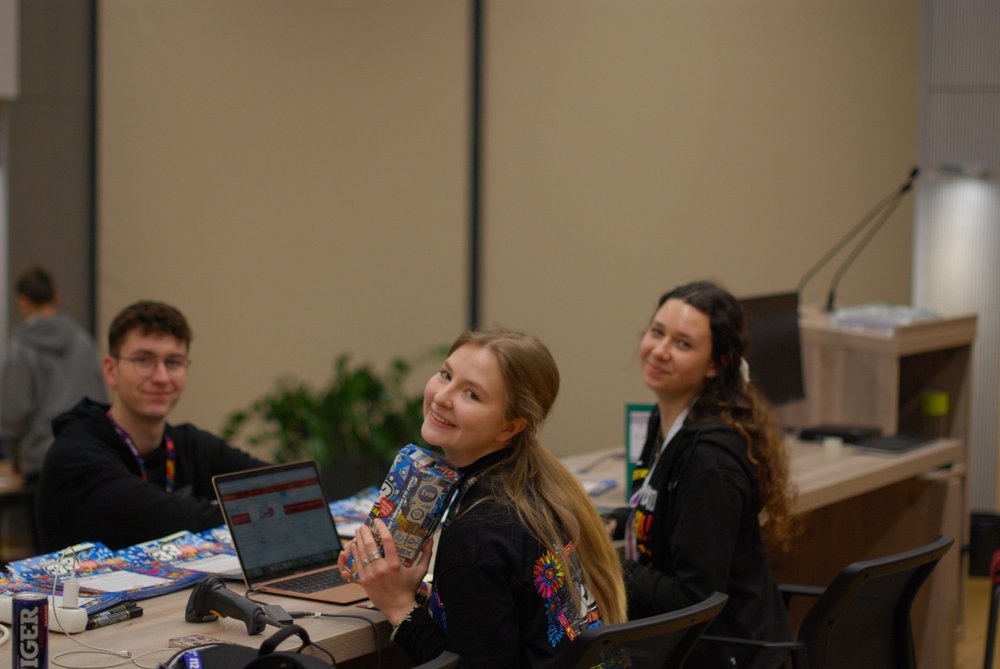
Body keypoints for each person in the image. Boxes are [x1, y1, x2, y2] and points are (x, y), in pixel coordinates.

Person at [339, 328, 627, 668]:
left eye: (471, 394)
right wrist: (415, 592)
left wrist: (400, 607)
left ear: (509, 427)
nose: (442, 397)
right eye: (446, 375)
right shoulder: (529, 488)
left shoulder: (479, 533)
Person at [620, 281, 796, 669]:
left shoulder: (710, 461)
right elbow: (663, 510)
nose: (660, 350)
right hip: (687, 645)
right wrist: (607, 524)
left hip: (725, 654)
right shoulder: (665, 419)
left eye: (683, 344)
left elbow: (693, 599)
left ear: (716, 364)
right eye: (657, 332)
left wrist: (608, 565)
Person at [36, 300, 267, 551]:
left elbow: (280, 487)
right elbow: (164, 519)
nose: (161, 377)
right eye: (143, 360)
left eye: (173, 362)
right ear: (111, 371)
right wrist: (260, 511)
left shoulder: (190, 444)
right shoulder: (75, 455)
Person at [1, 266, 107, 485]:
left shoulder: (20, 349)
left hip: (41, 461)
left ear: (23, 302)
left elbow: (14, 411)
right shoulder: (83, 341)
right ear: (57, 296)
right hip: (87, 455)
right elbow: (100, 399)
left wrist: (12, 453)